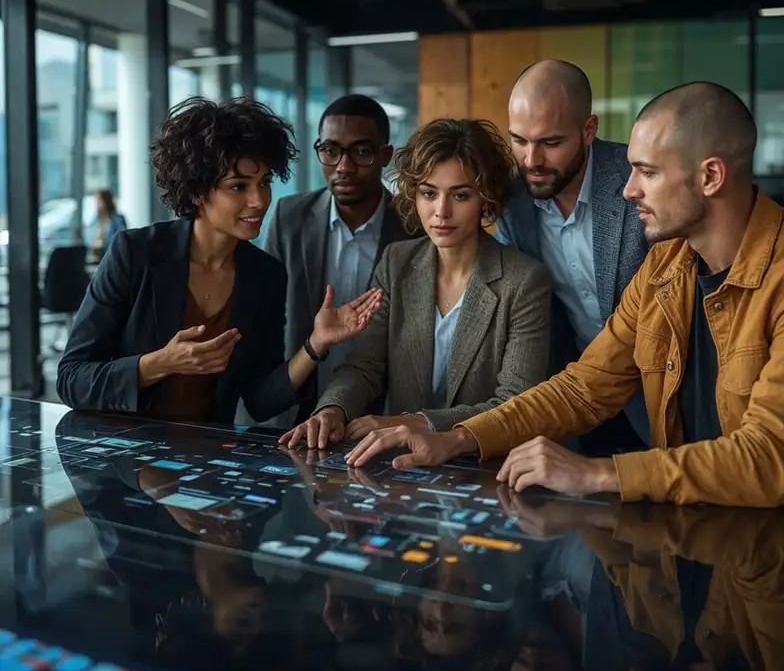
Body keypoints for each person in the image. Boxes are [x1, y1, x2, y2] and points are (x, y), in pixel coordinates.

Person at [346, 82, 784, 514]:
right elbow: (585, 386)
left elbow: (769, 460)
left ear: (709, 176)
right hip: (709, 529)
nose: (628, 188)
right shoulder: (667, 264)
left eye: (646, 172)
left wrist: (600, 473)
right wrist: (457, 438)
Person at [57, 96, 382, 425]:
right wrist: (161, 363)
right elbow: (72, 378)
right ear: (198, 191)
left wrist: (316, 344)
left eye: (265, 183)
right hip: (121, 452)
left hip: (205, 459)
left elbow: (260, 400)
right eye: (238, 186)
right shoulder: (135, 252)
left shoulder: (265, 274)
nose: (259, 201)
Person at [279, 118, 552, 449]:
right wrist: (333, 409)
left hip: (484, 466)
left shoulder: (524, 280)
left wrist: (415, 423)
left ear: (486, 199)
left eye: (461, 195)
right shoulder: (398, 262)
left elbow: (515, 404)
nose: (441, 211)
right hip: (399, 469)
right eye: (428, 193)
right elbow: (364, 366)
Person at [498, 59, 649, 452]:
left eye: (550, 143)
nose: (531, 160)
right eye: (519, 140)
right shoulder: (511, 201)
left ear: (588, 130)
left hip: (664, 389)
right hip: (581, 398)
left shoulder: (639, 180)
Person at [262, 94, 416, 427]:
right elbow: (266, 321)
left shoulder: (414, 228)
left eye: (361, 151)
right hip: (294, 409)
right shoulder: (289, 217)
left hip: (379, 417)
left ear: (384, 155)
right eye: (330, 150)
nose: (343, 167)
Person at [89, 189, 127, 261]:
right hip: (98, 257)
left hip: (112, 257)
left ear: (106, 201)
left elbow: (120, 239)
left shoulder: (118, 219)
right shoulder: (96, 219)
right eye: (96, 201)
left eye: (99, 200)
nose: (96, 203)